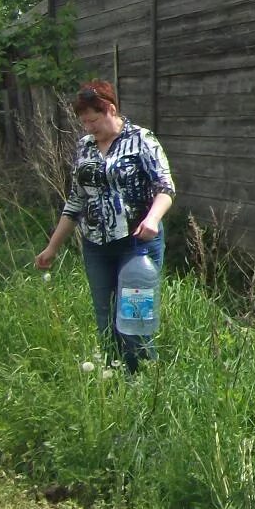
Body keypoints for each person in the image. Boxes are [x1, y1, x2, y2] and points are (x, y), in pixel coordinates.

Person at [35, 81, 176, 371]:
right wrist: (52, 248)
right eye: (84, 121)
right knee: (105, 313)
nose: (89, 127)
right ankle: (112, 375)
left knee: (134, 316)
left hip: (137, 244)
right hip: (96, 246)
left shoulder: (142, 139)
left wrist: (152, 218)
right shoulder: (84, 146)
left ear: (110, 109)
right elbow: (75, 201)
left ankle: (142, 378)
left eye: (94, 120)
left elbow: (165, 188)